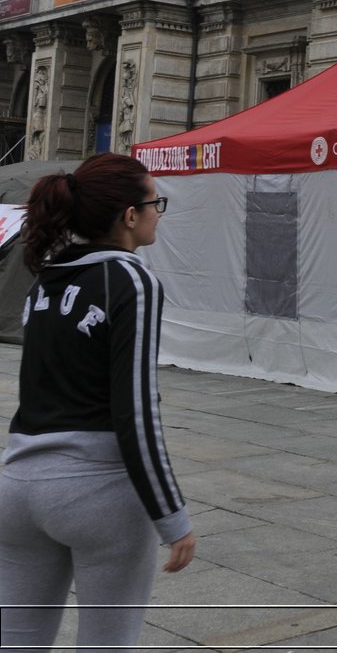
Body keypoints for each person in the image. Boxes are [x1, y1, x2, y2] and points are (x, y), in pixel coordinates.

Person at [1, 154, 196, 651]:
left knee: (17, 642)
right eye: (156, 203)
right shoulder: (131, 280)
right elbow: (136, 407)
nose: (159, 213)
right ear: (129, 215)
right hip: (97, 491)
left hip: (18, 485)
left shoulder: (44, 280)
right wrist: (172, 516)